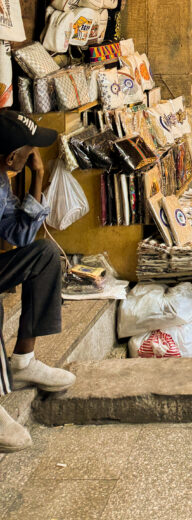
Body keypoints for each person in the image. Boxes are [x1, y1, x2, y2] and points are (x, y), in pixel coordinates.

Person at [0, 111, 77, 452]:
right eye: (30, 152)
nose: (35, 156)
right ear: (12, 157)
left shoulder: (2, 180)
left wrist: (39, 176)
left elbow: (20, 235)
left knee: (44, 255)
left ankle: (23, 364)